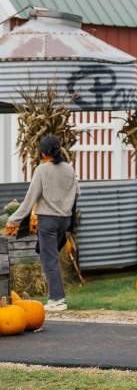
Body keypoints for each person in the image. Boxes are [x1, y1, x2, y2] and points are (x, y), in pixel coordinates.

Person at [7, 134, 79, 312]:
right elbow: (77, 193)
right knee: (49, 254)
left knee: (49, 260)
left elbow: (31, 198)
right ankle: (57, 296)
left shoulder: (42, 170)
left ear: (44, 152)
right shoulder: (69, 169)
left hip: (47, 220)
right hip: (64, 219)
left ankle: (57, 299)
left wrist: (13, 218)